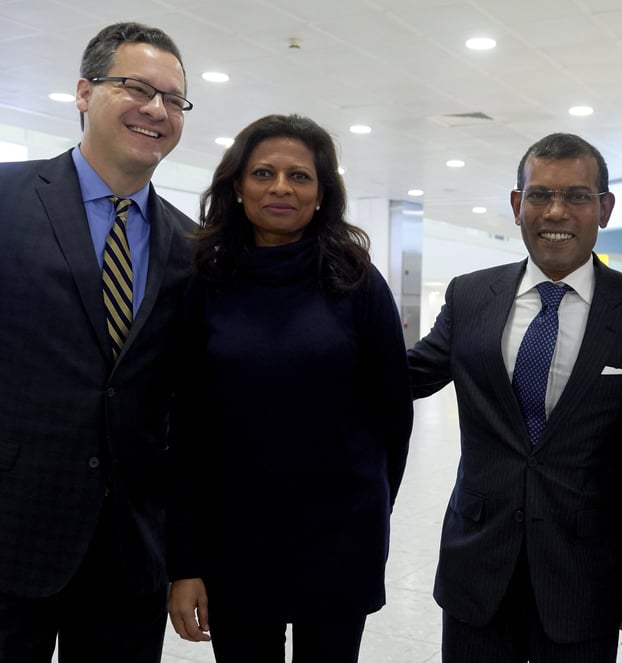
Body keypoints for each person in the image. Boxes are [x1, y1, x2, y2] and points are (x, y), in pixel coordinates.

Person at [0, 22, 196, 663]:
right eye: (136, 88)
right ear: (84, 92)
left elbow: (184, 409)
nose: (156, 110)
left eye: (173, 99)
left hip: (131, 555)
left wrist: (184, 554)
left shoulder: (189, 245)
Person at [407, 133, 622, 663]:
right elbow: (402, 378)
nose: (556, 211)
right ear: (517, 205)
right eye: (539, 195)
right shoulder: (469, 296)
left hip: (585, 575)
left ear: (604, 207)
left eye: (577, 196)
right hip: (477, 567)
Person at [165, 113, 413, 663]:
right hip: (233, 541)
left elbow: (392, 414)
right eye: (263, 173)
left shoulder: (357, 281)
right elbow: (184, 429)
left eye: (299, 176)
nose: (281, 187)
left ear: (322, 193)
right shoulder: (204, 282)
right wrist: (184, 562)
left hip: (339, 539)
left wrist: (370, 509)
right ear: (237, 187)